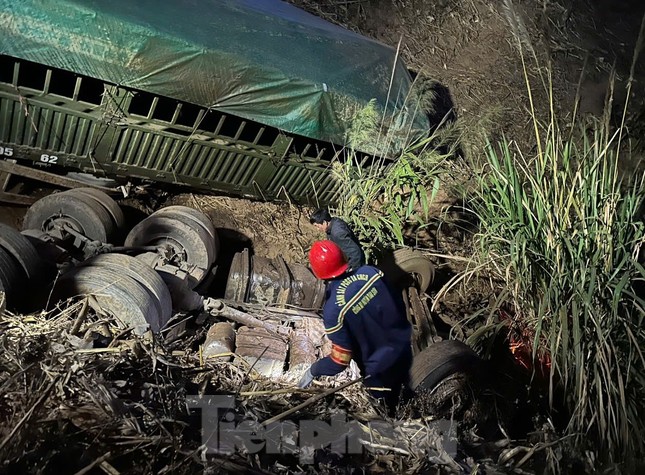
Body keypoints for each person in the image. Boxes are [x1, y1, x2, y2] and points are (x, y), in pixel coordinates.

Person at [298, 240, 412, 413]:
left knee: (392, 408)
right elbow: (397, 301)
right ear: (343, 257)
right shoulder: (371, 272)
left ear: (318, 273)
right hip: (404, 344)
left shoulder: (333, 311)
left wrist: (314, 370)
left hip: (379, 370)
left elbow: (340, 360)